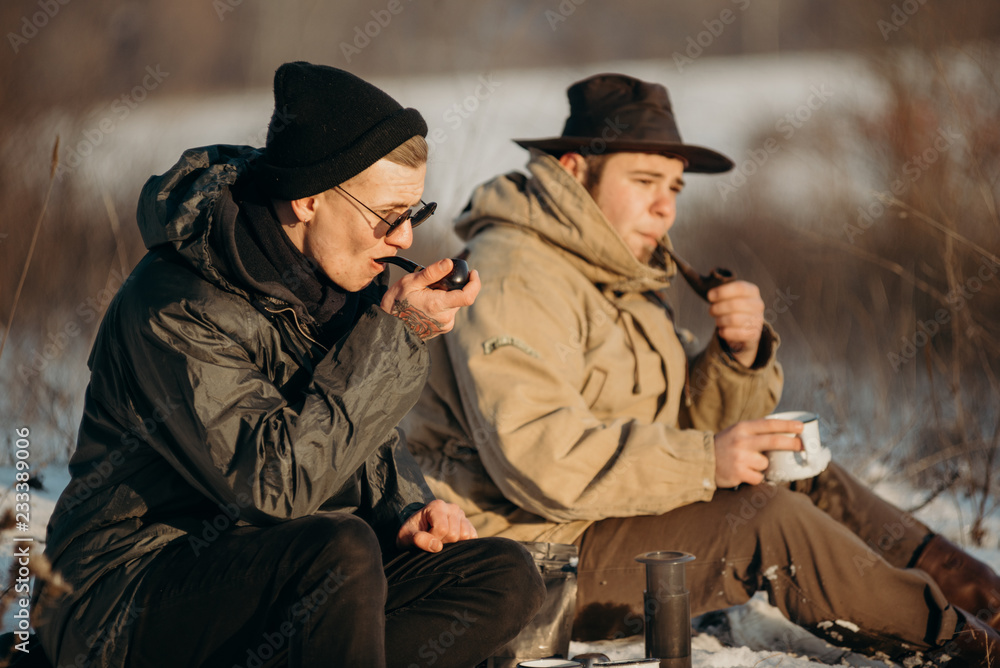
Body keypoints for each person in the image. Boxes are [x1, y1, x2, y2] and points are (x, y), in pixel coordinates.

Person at [402, 73, 1000, 665]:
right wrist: (706, 460)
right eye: (644, 180)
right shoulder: (513, 274)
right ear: (573, 171)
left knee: (791, 456)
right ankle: (965, 645)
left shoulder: (619, 273)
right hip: (536, 559)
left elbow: (687, 422)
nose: (665, 205)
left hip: (610, 517)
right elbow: (537, 457)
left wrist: (734, 357)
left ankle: (984, 596)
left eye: (675, 186)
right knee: (767, 522)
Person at [32, 62, 544, 668]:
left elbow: (357, 439)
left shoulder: (340, 278)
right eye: (389, 216)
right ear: (307, 200)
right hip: (125, 592)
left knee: (504, 574)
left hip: (277, 570)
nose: (405, 239)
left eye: (416, 213)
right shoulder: (175, 304)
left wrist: (407, 509)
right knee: (339, 551)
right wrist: (397, 335)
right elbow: (275, 487)